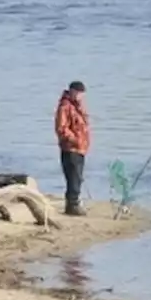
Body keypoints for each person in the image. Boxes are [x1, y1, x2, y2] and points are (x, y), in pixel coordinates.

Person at [54, 80, 90, 216]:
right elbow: (61, 128)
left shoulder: (78, 106)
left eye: (82, 94)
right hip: (70, 148)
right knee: (73, 177)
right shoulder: (65, 106)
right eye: (79, 93)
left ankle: (73, 203)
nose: (81, 97)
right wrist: (75, 140)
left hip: (80, 148)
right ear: (72, 92)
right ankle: (72, 205)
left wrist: (83, 142)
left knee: (77, 177)